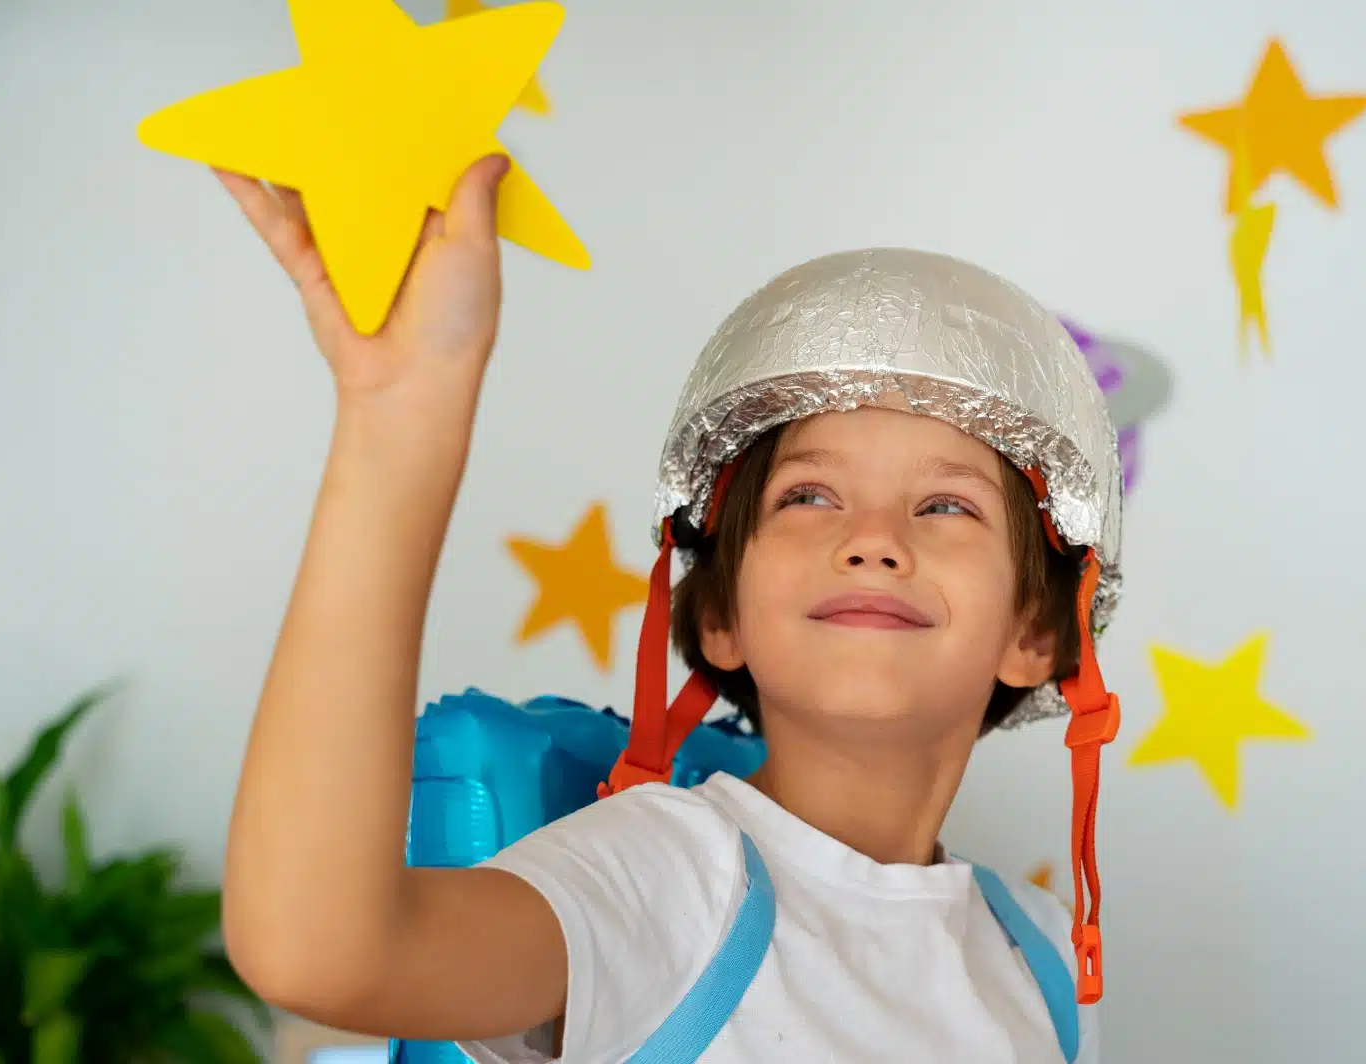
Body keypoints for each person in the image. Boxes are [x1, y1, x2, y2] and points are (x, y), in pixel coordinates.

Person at [218, 153, 1123, 1063]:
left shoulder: (1040, 957)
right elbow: (318, 952)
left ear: (1038, 632)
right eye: (809, 497)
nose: (874, 539)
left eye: (946, 506)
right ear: (721, 613)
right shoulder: (664, 879)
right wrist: (398, 412)